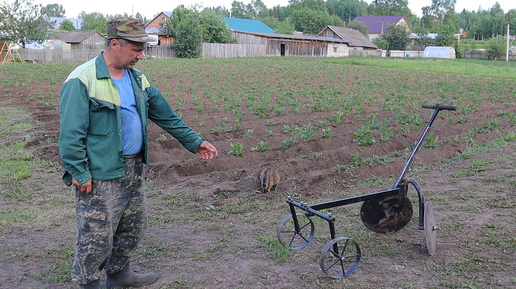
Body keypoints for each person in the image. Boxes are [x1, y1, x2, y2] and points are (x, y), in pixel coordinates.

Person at [59, 18, 218, 289]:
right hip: (100, 172)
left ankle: (119, 274)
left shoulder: (138, 80)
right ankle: (88, 283)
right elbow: (70, 134)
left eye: (143, 49)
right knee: (96, 234)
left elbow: (167, 117)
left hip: (133, 168)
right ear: (114, 44)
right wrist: (78, 171)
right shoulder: (82, 79)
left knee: (133, 225)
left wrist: (196, 142)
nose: (141, 55)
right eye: (136, 49)